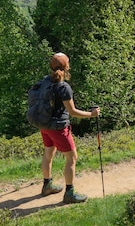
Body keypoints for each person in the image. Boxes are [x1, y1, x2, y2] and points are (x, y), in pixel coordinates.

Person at [40, 52, 100, 204]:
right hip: (59, 127)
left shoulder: (45, 81)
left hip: (44, 125)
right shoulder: (63, 87)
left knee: (48, 154)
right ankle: (69, 193)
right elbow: (72, 112)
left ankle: (47, 185)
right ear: (66, 67)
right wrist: (91, 114)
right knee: (72, 158)